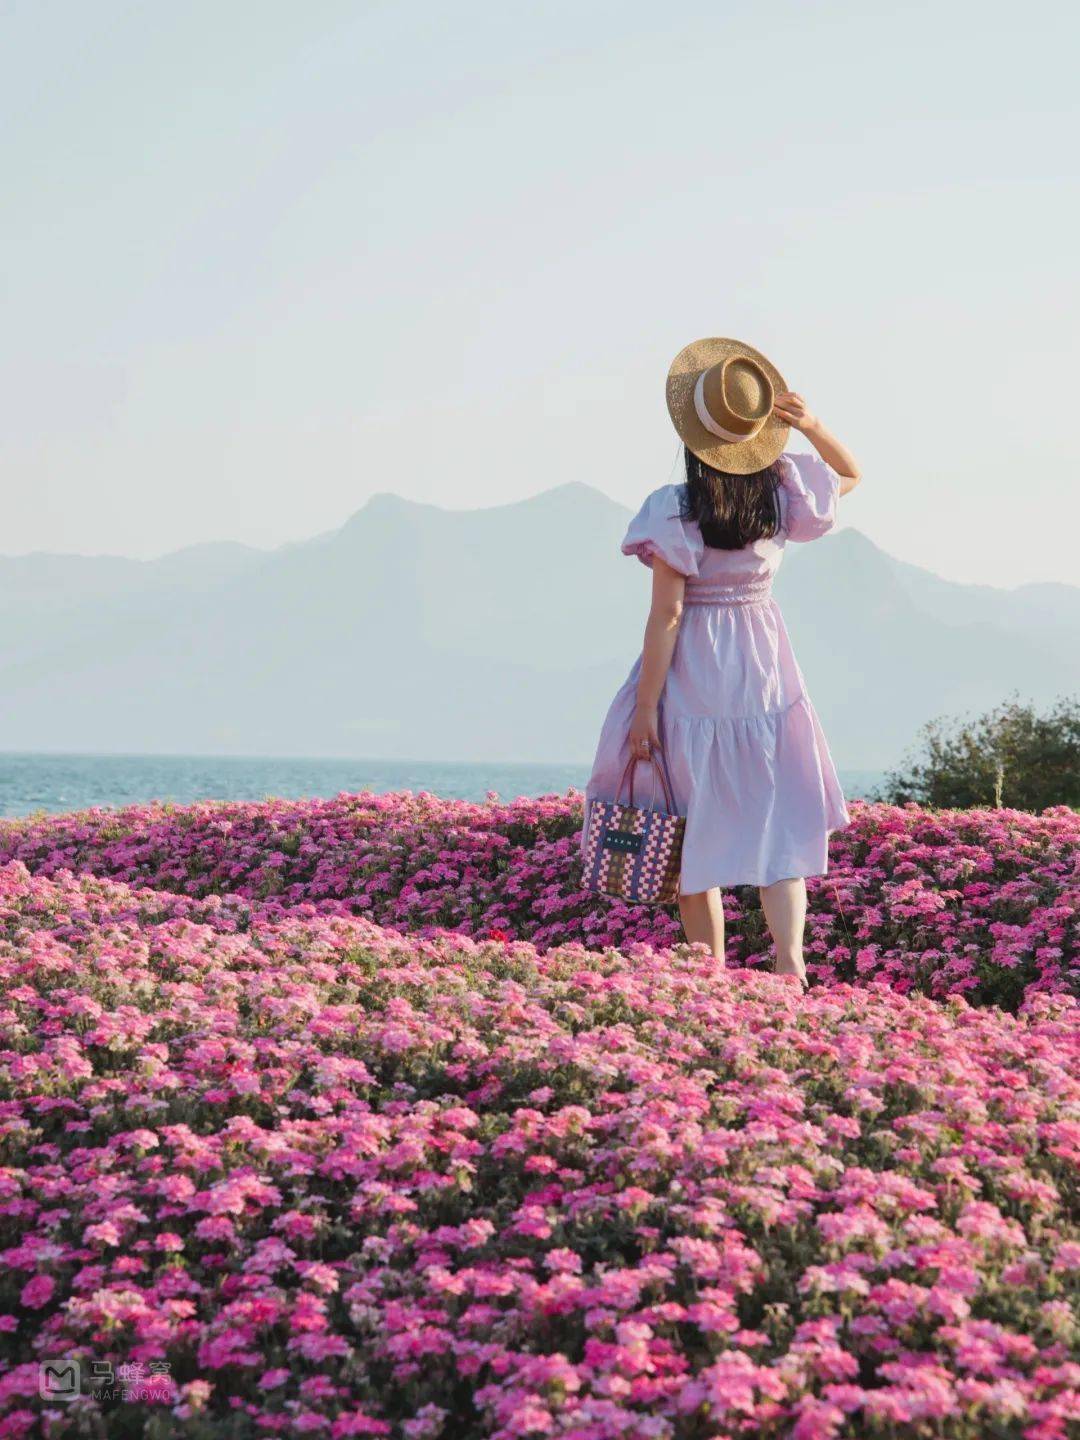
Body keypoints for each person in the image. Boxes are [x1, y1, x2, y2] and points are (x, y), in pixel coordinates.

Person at [580, 336, 862, 983]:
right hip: (762, 666)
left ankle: (710, 976)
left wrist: (644, 711)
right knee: (778, 827)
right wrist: (813, 427)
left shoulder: (676, 509)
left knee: (690, 825)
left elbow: (667, 616)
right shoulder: (783, 495)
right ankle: (789, 965)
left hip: (695, 673)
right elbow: (849, 478)